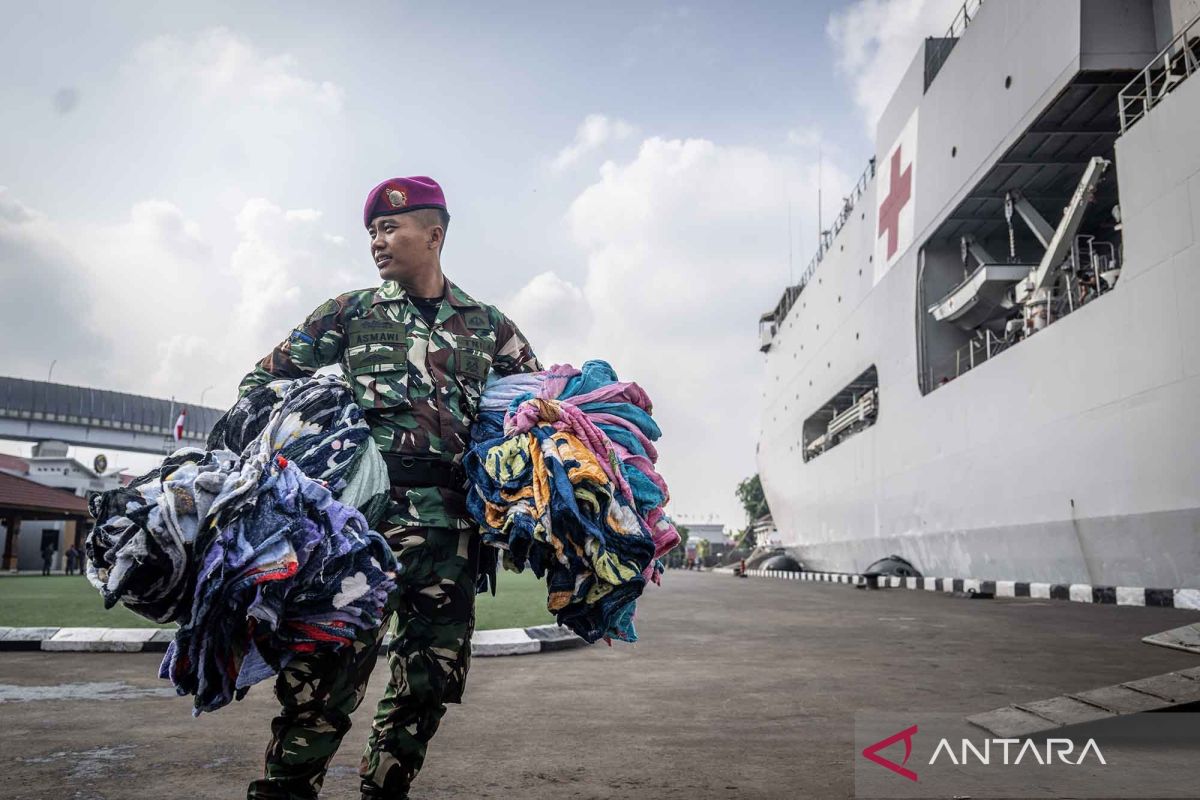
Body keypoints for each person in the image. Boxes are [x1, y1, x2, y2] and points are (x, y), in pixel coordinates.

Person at [238, 176, 540, 800]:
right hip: (358, 532)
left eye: (389, 228)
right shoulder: (347, 314)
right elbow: (261, 384)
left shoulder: (488, 327)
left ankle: (384, 789)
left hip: (452, 536)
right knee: (323, 680)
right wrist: (302, 452)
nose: (377, 241)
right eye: (372, 231)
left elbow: (539, 409)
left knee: (429, 682)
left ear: (433, 235)